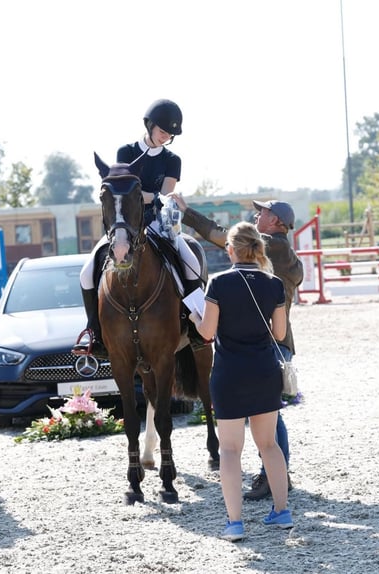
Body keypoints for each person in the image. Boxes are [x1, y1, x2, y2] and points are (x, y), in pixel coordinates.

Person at [169, 193, 303, 499]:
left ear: (277, 222)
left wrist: (188, 213)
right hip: (273, 339)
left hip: (264, 340)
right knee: (269, 414)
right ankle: (275, 476)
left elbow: (222, 236)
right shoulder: (281, 250)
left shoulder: (275, 245)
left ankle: (273, 475)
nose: (257, 216)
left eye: (263, 213)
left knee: (271, 416)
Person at [73, 99, 204, 359]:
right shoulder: (126, 151)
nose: (166, 137)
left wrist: (138, 194)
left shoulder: (172, 160)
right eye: (163, 131)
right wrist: (138, 196)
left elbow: (165, 195)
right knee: (87, 272)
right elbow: (122, 189)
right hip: (124, 224)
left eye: (170, 134)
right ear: (150, 125)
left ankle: (195, 326)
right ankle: (94, 332)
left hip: (157, 222)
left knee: (192, 262)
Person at [189, 221, 293, 541]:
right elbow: (279, 334)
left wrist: (194, 316)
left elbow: (207, 334)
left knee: (230, 450)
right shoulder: (274, 284)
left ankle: (235, 523)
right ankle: (281, 512)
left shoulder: (219, 283)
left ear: (230, 250)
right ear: (257, 249)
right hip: (264, 371)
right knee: (269, 445)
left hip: (229, 374)